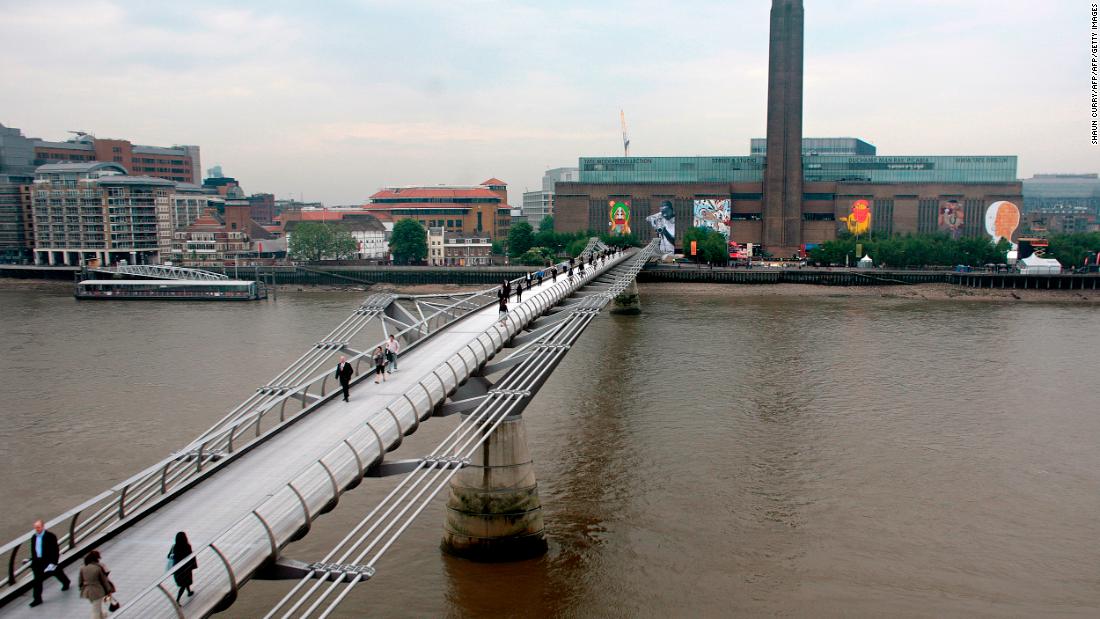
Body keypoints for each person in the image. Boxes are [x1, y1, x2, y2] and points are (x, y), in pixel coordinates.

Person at [28, 519, 70, 608]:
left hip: (48, 561)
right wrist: (32, 560)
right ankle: (37, 599)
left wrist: (54, 562)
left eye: (38, 527)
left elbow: (55, 550)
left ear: (43, 527)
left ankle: (66, 582)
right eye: (35, 528)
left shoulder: (51, 536)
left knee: (56, 572)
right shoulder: (33, 537)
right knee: (37, 581)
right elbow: (33, 550)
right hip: (37, 562)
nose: (37, 529)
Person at [78, 550, 112, 619]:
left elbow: (80, 581)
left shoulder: (83, 568)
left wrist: (82, 589)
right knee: (96, 609)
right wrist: (108, 590)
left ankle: (102, 616)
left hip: (87, 591)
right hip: (98, 590)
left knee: (97, 605)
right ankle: (99, 617)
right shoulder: (97, 568)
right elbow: (104, 580)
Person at [167, 532, 196, 603]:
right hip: (186, 568)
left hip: (177, 570)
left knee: (184, 583)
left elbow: (168, 556)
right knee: (185, 583)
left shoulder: (174, 547)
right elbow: (191, 556)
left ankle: (189, 592)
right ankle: (177, 600)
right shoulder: (187, 546)